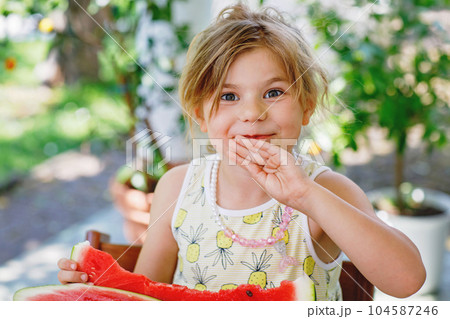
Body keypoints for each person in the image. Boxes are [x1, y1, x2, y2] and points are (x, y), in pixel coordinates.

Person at [57, 3, 425, 300]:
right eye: (228, 96)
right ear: (200, 115)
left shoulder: (328, 193)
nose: (252, 113)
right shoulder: (177, 188)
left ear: (307, 105)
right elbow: (146, 293)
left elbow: (407, 280)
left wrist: (306, 196)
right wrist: (97, 293)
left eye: (274, 92)